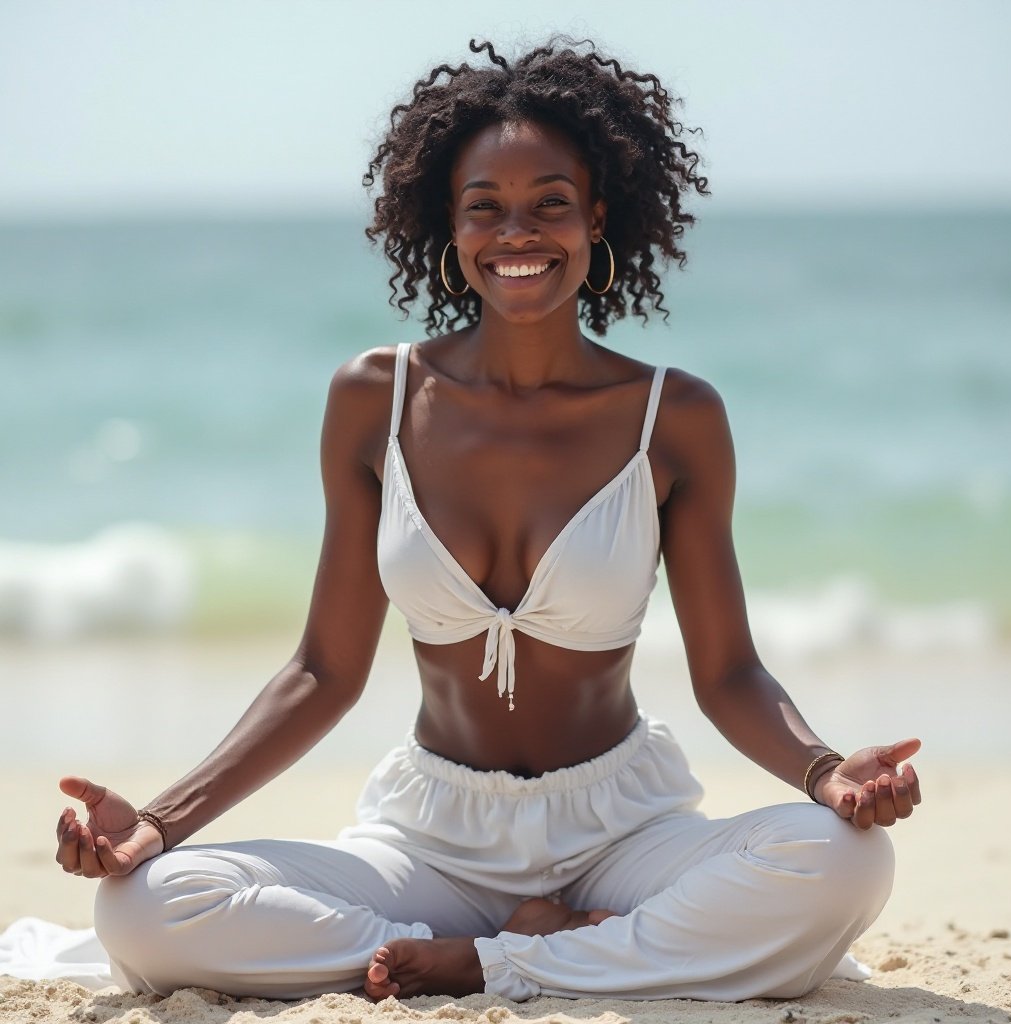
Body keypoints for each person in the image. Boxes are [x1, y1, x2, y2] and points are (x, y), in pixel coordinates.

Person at [53, 38, 922, 1004]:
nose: (520, 232)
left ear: (598, 216)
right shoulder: (374, 399)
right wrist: (159, 826)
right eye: (487, 208)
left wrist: (825, 774)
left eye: (551, 202)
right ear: (448, 226)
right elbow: (322, 672)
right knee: (141, 907)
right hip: (432, 839)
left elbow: (727, 673)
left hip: (621, 831)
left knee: (847, 861)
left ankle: (489, 959)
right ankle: (523, 947)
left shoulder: (671, 417)